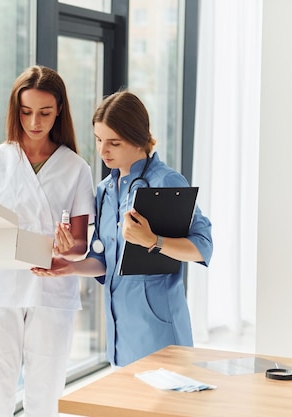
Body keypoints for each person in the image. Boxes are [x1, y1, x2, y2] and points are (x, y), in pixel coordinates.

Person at [0, 65, 95, 417]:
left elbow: (80, 243)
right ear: (16, 111)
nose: (34, 122)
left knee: (45, 396)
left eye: (44, 112)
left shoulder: (76, 168)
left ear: (59, 110)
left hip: (50, 292)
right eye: (26, 112)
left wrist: (66, 246)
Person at [32, 91, 213, 367]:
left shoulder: (167, 181)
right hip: (119, 334)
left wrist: (153, 240)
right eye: (99, 140)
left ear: (138, 138)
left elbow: (203, 246)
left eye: (113, 143)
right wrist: (70, 267)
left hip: (159, 332)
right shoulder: (105, 190)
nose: (103, 151)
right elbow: (105, 260)